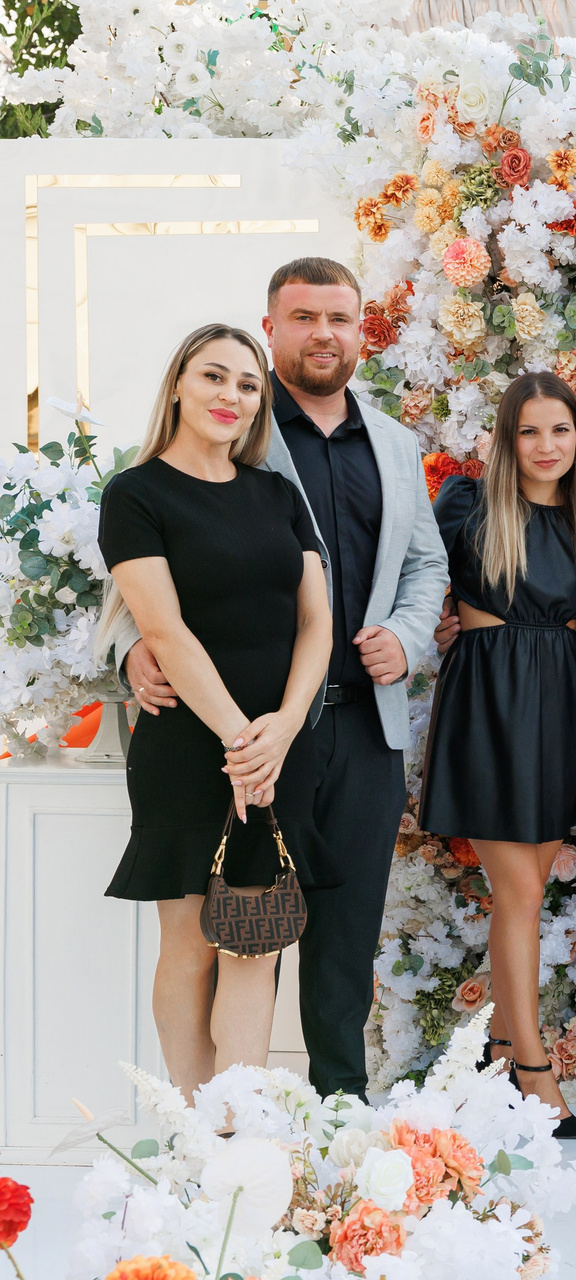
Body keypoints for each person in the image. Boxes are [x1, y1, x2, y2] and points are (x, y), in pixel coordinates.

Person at [110, 258, 449, 1100]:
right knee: (209, 939)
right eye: (304, 317)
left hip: (347, 722)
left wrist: (406, 638)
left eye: (339, 317)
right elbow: (147, 591)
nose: (323, 333)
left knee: (327, 931)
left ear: (361, 329)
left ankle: (330, 1109)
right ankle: (204, 1121)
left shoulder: (388, 445)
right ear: (273, 329)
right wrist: (132, 649)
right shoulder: (223, 456)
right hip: (231, 731)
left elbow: (419, 567)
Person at [96, 323, 331, 1099]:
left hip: (277, 747)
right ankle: (193, 1126)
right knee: (193, 945)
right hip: (192, 751)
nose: (232, 395)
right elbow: (163, 630)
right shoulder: (136, 494)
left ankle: (238, 1129)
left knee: (254, 944)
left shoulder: (278, 494)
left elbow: (317, 623)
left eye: (248, 384)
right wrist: (240, 743)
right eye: (214, 376)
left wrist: (283, 729)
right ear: (177, 386)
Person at [420, 372, 576, 1139]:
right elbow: (411, 578)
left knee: (523, 895)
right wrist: (436, 619)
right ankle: (534, 1071)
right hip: (487, 702)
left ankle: (495, 1054)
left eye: (560, 430)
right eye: (529, 431)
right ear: (505, 438)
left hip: (558, 707)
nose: (546, 445)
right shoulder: (467, 506)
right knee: (520, 891)